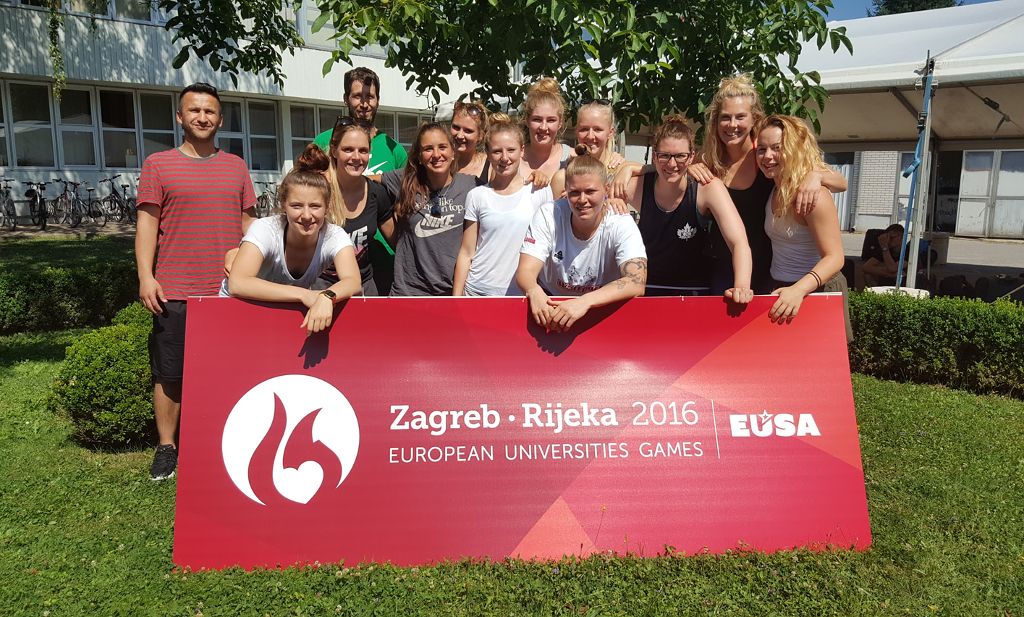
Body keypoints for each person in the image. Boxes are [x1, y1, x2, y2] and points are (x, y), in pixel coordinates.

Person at [613, 75, 847, 295]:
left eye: (740, 117)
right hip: (720, 268)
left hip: (767, 267)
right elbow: (671, 164)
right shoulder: (709, 160)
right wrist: (631, 168)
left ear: (754, 118)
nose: (732, 124)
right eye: (725, 117)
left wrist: (815, 176)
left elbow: (841, 182)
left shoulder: (766, 156)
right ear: (716, 120)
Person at [135, 82, 257, 480]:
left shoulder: (236, 166)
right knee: (169, 373)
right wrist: (145, 276)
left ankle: (218, 440)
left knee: (228, 371)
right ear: (180, 116)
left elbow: (249, 225)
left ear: (220, 119)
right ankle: (167, 447)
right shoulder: (158, 164)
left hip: (229, 292)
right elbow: (147, 225)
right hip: (175, 289)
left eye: (209, 111)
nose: (202, 117)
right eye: (194, 110)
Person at [222, 144, 361, 332]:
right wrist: (304, 295)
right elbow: (238, 284)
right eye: (296, 206)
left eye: (315, 206)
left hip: (280, 309)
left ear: (327, 207)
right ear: (283, 205)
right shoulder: (265, 229)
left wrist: (327, 295)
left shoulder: (334, 235)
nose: (306, 215)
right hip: (235, 308)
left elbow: (353, 281)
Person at [617, 115, 753, 301]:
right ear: (655, 157)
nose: (672, 164)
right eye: (664, 156)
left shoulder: (707, 187)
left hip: (694, 291)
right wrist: (619, 180)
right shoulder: (635, 186)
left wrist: (742, 286)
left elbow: (739, 242)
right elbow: (594, 187)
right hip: (648, 290)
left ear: (691, 157)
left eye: (680, 156)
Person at [516, 153, 648, 333]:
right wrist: (533, 290)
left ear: (606, 190)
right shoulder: (548, 214)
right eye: (575, 192)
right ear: (566, 191)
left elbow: (636, 282)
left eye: (590, 191)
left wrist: (585, 302)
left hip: (601, 309)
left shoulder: (621, 222)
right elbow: (525, 271)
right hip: (551, 305)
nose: (582, 200)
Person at [312, 67, 407, 295]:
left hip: (380, 262)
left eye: (369, 97)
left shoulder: (394, 149)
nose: (364, 104)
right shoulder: (324, 141)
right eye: (357, 96)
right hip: (328, 269)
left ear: (377, 100)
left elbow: (404, 200)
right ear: (346, 99)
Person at [754, 115, 850, 338]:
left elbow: (835, 258)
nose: (767, 156)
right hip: (780, 288)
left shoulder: (813, 195)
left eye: (777, 148)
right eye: (762, 149)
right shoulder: (774, 187)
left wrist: (798, 290)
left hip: (815, 291)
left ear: (793, 149)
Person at [453, 116, 554, 296]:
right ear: (488, 153)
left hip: (520, 294)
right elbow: (466, 252)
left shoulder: (540, 192)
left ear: (522, 150)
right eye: (497, 151)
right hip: (477, 291)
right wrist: (456, 299)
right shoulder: (477, 195)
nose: (505, 158)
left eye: (511, 150)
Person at [379, 123, 478, 295]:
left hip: (453, 293)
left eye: (442, 147)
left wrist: (537, 178)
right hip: (408, 293)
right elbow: (361, 183)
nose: (436, 155)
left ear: (453, 152)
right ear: (418, 156)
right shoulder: (404, 180)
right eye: (428, 149)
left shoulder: (472, 185)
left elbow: (506, 191)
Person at [324, 116, 396, 295]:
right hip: (322, 286)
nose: (356, 157)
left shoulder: (376, 193)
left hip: (364, 287)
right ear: (334, 151)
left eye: (363, 150)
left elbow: (399, 242)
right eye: (348, 149)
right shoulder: (317, 191)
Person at [550, 99, 629, 198]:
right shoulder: (563, 177)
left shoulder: (620, 171)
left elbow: (653, 171)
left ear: (610, 132)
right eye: (584, 129)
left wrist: (630, 169)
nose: (590, 136)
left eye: (597, 130)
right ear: (577, 131)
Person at [519, 78, 573, 182]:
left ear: (560, 122)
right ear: (527, 120)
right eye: (537, 119)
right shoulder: (512, 158)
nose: (543, 127)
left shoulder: (573, 157)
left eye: (551, 120)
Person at [450, 100, 491, 183]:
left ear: (481, 136)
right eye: (456, 127)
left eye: (468, 131)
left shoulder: (491, 165)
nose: (459, 136)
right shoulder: (441, 161)